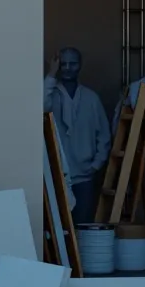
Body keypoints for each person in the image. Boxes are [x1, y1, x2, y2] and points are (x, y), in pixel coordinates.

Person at [44, 48, 110, 224]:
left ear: (79, 66)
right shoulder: (51, 95)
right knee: (58, 228)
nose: (67, 68)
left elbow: (104, 135)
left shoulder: (91, 98)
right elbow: (40, 106)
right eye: (63, 63)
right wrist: (51, 72)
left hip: (84, 176)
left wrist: (96, 165)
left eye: (72, 63)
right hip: (56, 174)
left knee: (83, 226)